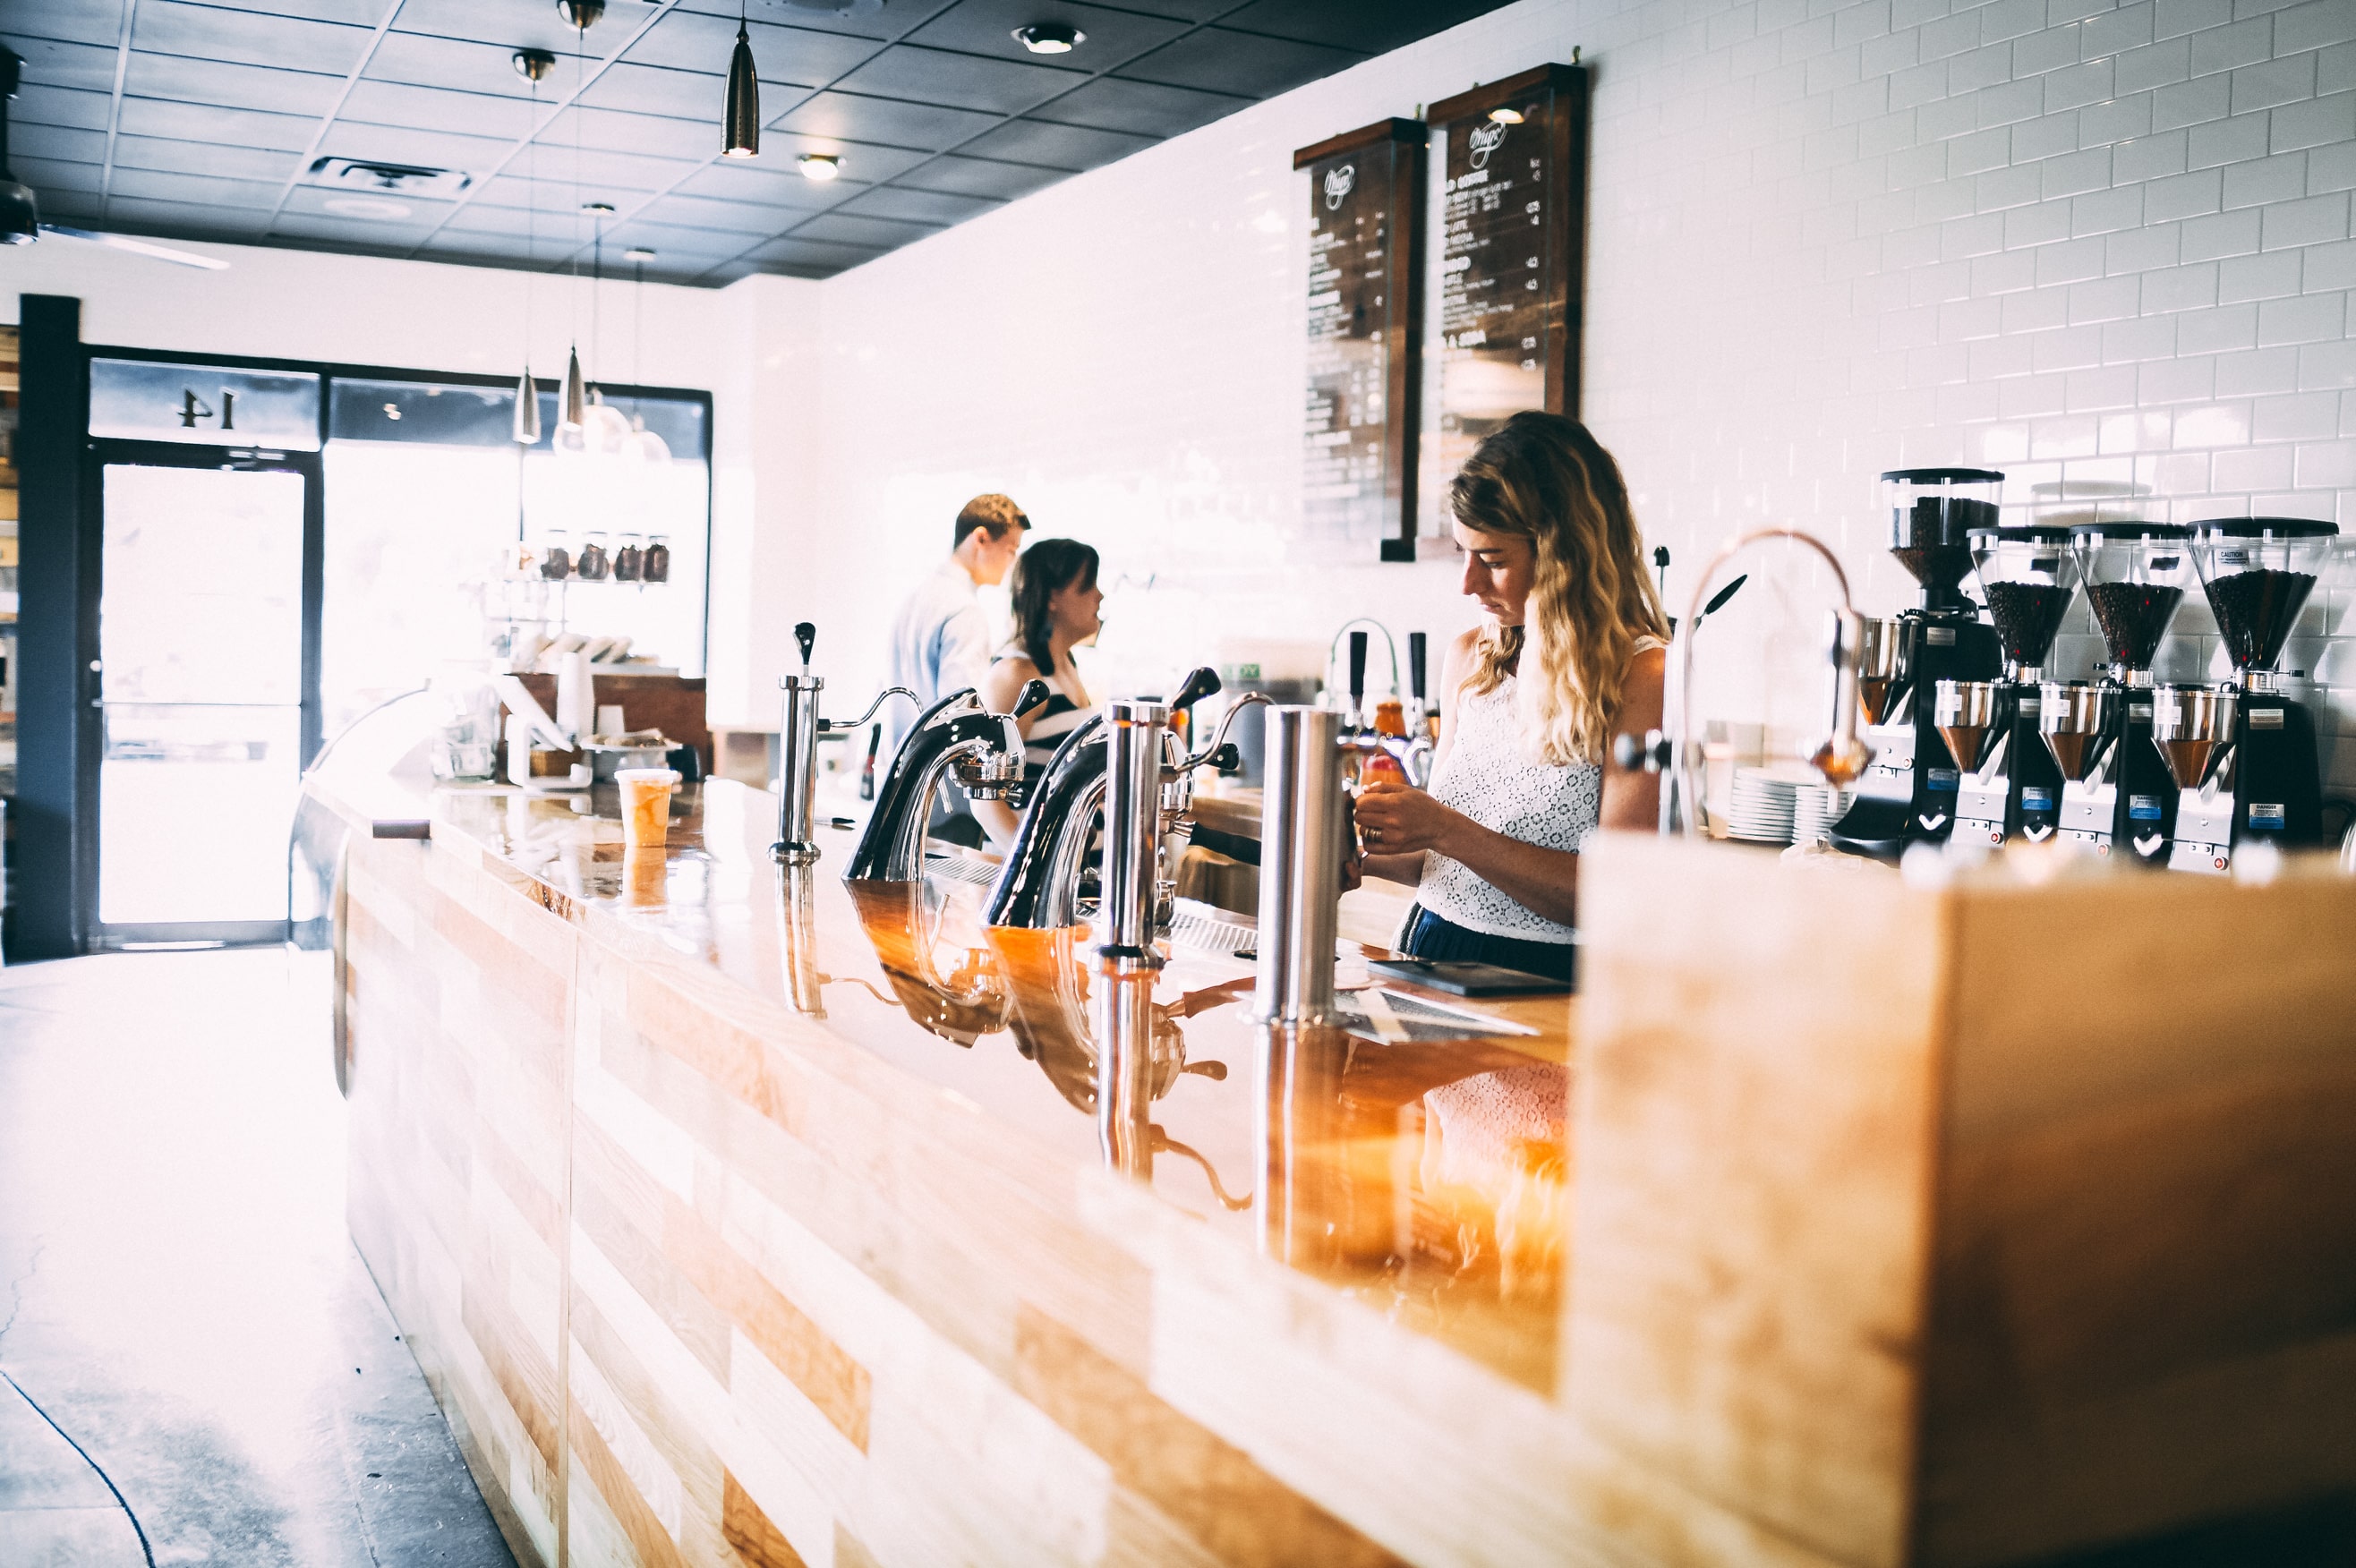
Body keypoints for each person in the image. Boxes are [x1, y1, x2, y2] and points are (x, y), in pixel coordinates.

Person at [1350, 412, 1669, 983]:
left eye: (1494, 561)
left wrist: (1446, 827)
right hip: (1430, 952)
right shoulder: (1470, 658)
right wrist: (1353, 848)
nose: (1467, 584)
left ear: (1564, 557)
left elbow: (1615, 893)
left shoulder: (1643, 675)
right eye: (1463, 553)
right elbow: (1438, 860)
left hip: (1546, 981)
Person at [884, 493, 1030, 844]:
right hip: (944, 807)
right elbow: (962, 719)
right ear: (981, 539)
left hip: (899, 794)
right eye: (1011, 550)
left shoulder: (915, 598)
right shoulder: (965, 612)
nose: (1012, 563)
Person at [975, 539, 1102, 846]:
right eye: (1087, 585)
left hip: (1074, 871)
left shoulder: (1066, 666)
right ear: (1051, 598)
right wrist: (1029, 869)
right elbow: (985, 801)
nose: (1100, 595)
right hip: (1037, 882)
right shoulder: (1015, 675)